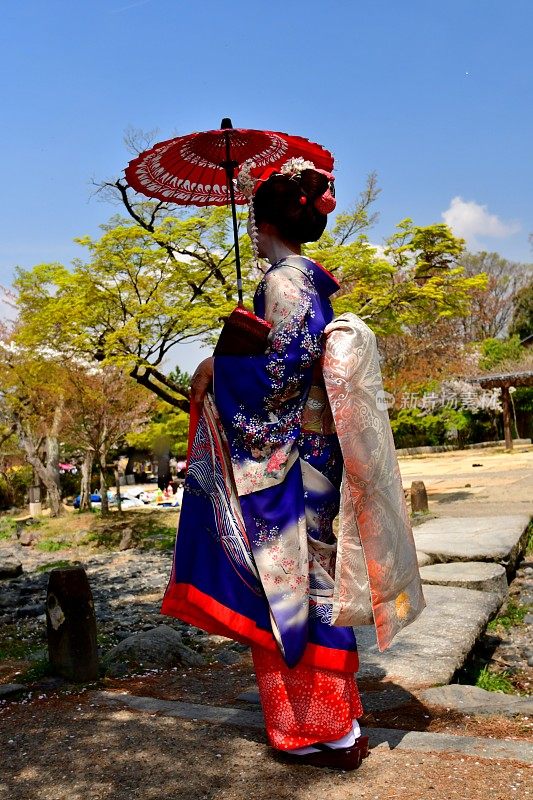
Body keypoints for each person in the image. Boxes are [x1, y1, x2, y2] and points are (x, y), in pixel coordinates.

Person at [161, 158, 424, 771]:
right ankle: (339, 722)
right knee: (313, 582)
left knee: (290, 586)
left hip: (291, 457)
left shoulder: (284, 281)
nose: (250, 234)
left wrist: (218, 369)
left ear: (264, 222)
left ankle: (320, 731)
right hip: (315, 455)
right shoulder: (301, 280)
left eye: (254, 222)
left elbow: (283, 376)